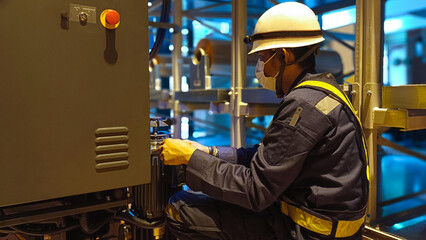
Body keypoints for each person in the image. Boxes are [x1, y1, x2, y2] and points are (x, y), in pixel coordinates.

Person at [159, 2, 369, 240]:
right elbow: (269, 158)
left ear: (285, 55)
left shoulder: (303, 104)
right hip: (316, 221)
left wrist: (191, 160)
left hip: (306, 232)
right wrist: (209, 151)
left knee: (179, 210)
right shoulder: (322, 91)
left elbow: (255, 190)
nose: (261, 69)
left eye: (262, 58)